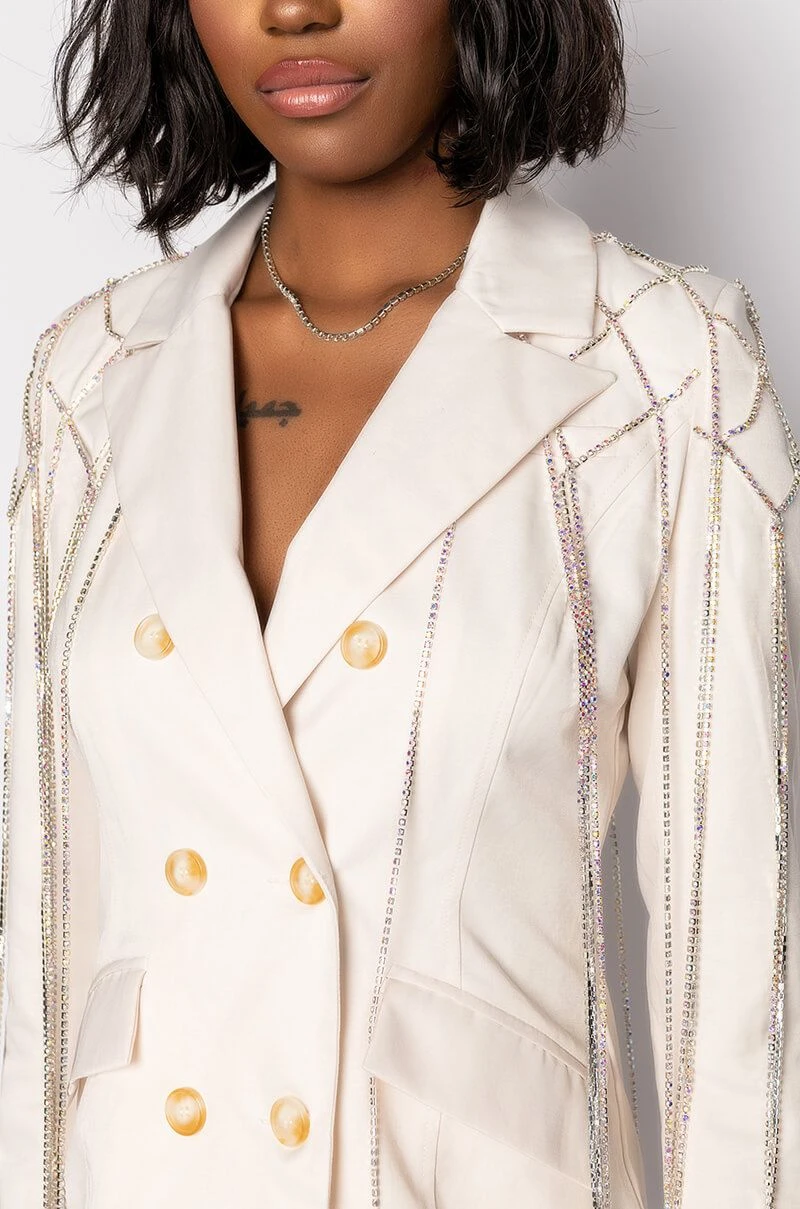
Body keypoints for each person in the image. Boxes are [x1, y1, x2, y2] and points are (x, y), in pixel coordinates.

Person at [1, 0, 798, 1207]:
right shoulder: (91, 372)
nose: (294, 11)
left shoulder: (662, 367)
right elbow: (46, 949)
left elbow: (735, 970)